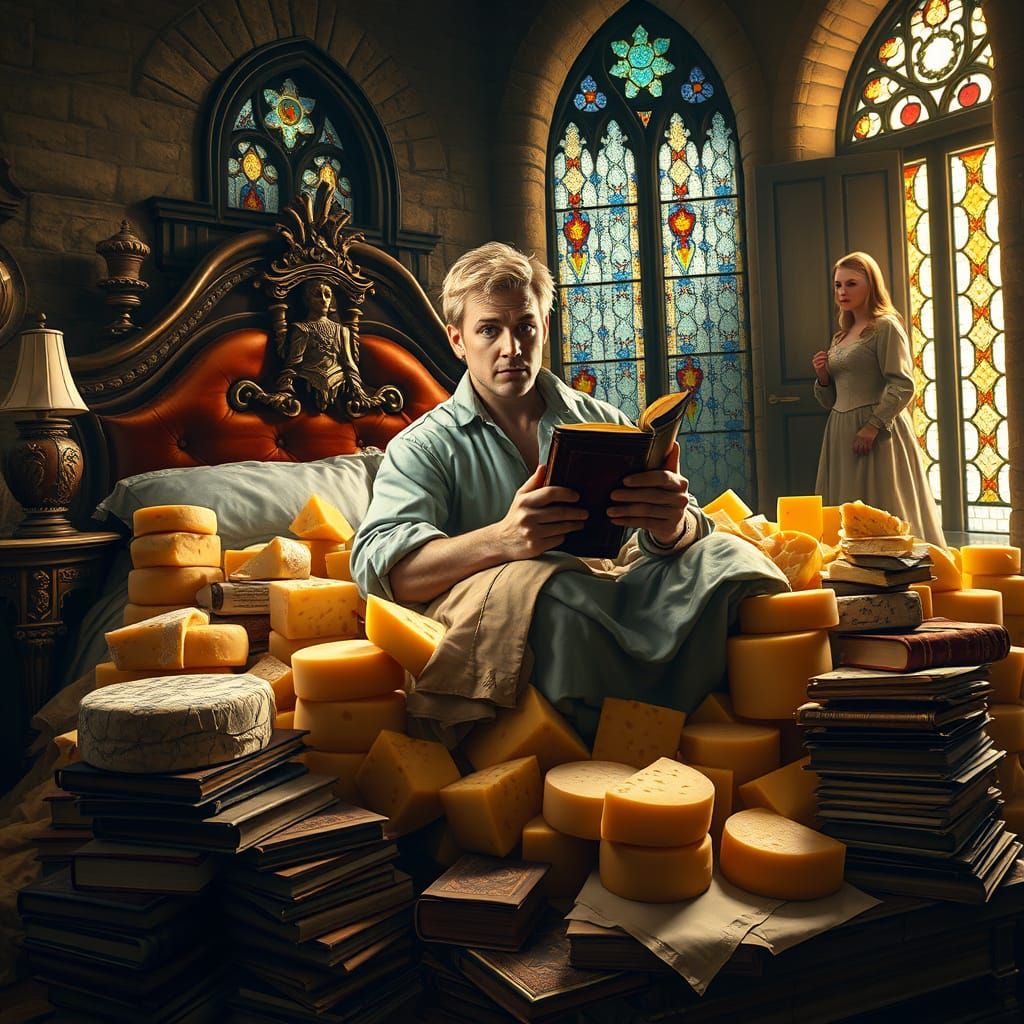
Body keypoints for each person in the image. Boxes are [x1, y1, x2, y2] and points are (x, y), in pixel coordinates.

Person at [351, 242, 787, 739]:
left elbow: (672, 534)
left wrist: (672, 526)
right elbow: (382, 574)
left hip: (617, 590)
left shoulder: (602, 421)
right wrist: (502, 541)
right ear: (457, 341)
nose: (511, 347)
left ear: (544, 328)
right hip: (520, 605)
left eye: (524, 327)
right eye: (489, 330)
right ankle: (628, 738)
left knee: (732, 558)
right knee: (557, 593)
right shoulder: (422, 446)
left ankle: (741, 720)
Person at [812, 252, 945, 547]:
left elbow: (902, 384)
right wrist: (823, 376)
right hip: (839, 432)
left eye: (851, 283)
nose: (842, 292)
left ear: (870, 285)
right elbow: (828, 399)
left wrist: (872, 427)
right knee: (844, 513)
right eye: (837, 285)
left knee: (883, 505)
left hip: (877, 433)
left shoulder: (886, 326)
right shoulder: (841, 336)